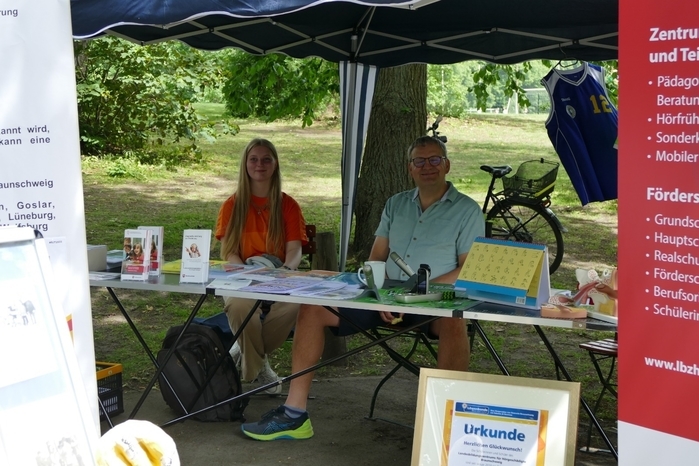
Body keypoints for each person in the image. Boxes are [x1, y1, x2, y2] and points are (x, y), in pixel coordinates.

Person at [241, 135, 484, 440]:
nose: (427, 167)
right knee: (314, 308)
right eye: (419, 161)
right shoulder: (396, 204)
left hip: (434, 299)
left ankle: (446, 424)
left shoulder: (467, 210)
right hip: (384, 297)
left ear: (446, 164)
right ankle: (294, 413)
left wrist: (412, 294)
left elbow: (467, 269)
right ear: (410, 168)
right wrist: (382, 295)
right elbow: (376, 258)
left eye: (434, 159)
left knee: (455, 321)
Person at [215, 138, 308, 394]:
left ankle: (244, 348)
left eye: (266, 159)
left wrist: (286, 271)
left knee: (295, 305)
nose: (260, 165)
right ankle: (258, 368)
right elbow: (229, 252)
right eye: (254, 159)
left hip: (279, 273)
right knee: (239, 305)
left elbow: (294, 249)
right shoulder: (231, 205)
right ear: (245, 164)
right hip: (242, 275)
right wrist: (247, 273)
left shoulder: (287, 205)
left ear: (275, 164)